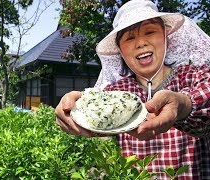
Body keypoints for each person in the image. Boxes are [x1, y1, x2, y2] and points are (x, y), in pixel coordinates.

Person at [55, 0, 210, 179]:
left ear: (166, 38)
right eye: (129, 38)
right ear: (120, 50)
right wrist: (76, 109)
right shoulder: (118, 92)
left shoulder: (191, 77)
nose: (141, 43)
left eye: (150, 31)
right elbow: (96, 107)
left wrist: (183, 104)